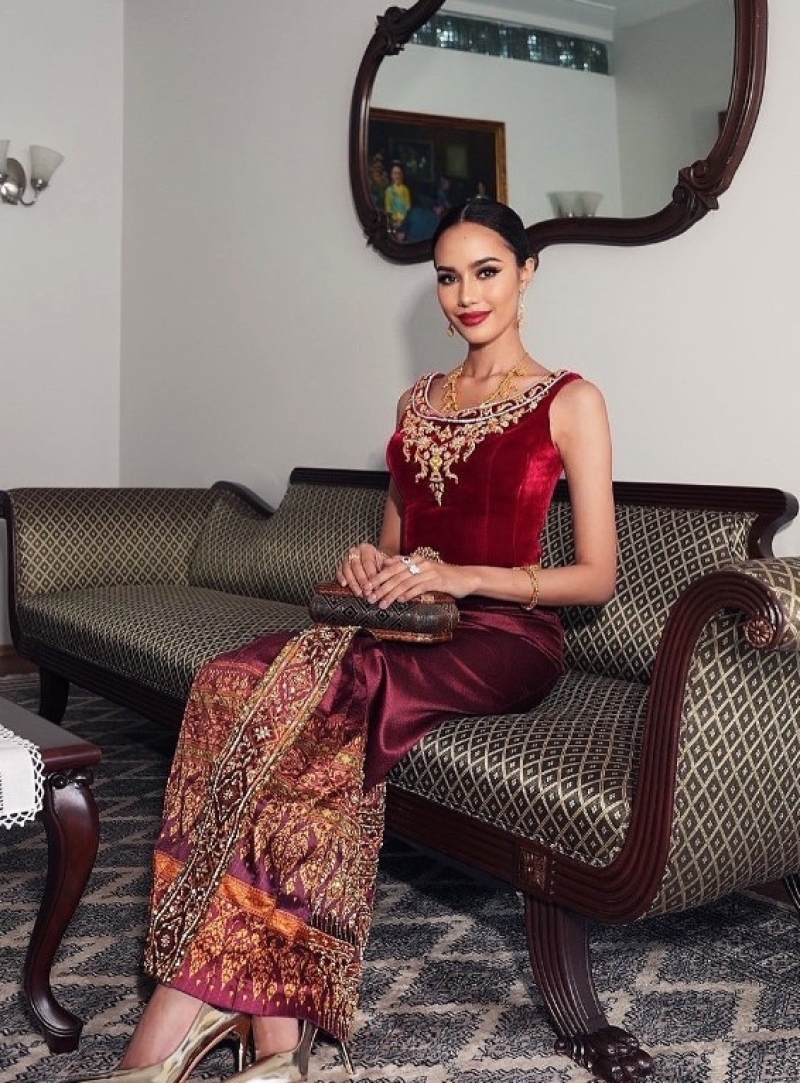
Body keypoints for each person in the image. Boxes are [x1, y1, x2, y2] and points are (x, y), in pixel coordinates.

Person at [66, 199, 616, 1083]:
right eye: (448, 276)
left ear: (527, 273)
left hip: (506, 634)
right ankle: (274, 1029)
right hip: (404, 622)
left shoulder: (569, 400)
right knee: (231, 679)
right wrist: (368, 563)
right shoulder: (417, 401)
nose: (467, 294)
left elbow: (595, 576)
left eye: (487, 271)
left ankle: (181, 1012)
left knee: (319, 700)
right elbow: (394, 551)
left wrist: (466, 576)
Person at [383, 161, 411, 232]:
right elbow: (388, 208)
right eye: (394, 173)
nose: (397, 176)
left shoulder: (405, 190)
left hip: (403, 221)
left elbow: (407, 207)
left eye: (399, 173)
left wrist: (401, 221)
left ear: (402, 175)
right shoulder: (388, 190)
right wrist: (392, 221)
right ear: (391, 175)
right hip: (392, 222)